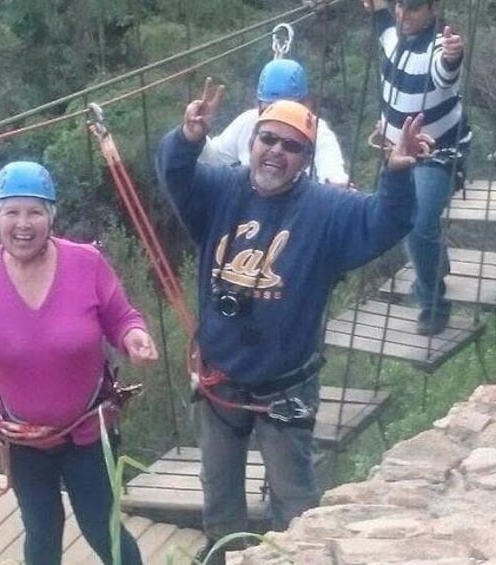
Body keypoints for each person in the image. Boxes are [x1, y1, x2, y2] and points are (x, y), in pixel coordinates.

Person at [155, 78, 432, 563]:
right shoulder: (220, 189)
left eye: (292, 146)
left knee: (295, 501)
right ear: (252, 141)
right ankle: (224, 555)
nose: (276, 152)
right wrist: (188, 138)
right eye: (269, 139)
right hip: (220, 378)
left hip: (285, 386)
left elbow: (385, 221)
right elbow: (175, 174)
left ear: (306, 158)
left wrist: (396, 172)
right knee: (219, 495)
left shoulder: (326, 210)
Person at [0, 161, 158, 565]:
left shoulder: (86, 263)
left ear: (51, 216)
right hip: (22, 437)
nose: (23, 224)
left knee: (103, 526)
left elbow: (120, 317)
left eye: (35, 212)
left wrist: (134, 336)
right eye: (12, 212)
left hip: (87, 430)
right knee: (41, 529)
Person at [364, 0, 472, 335]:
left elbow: (445, 71)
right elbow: (382, 21)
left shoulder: (437, 45)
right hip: (398, 151)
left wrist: (453, 56)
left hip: (439, 153)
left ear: (431, 10)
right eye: (400, 6)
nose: (403, 15)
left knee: (418, 223)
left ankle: (433, 303)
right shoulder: (394, 37)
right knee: (399, 219)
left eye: (413, 8)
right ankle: (435, 264)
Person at [199, 58, 351, 187]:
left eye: (287, 112)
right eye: (269, 110)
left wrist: (337, 185)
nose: (277, 119)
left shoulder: (317, 131)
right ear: (259, 105)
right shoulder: (248, 121)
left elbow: (331, 169)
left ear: (304, 106)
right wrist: (198, 137)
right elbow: (215, 159)